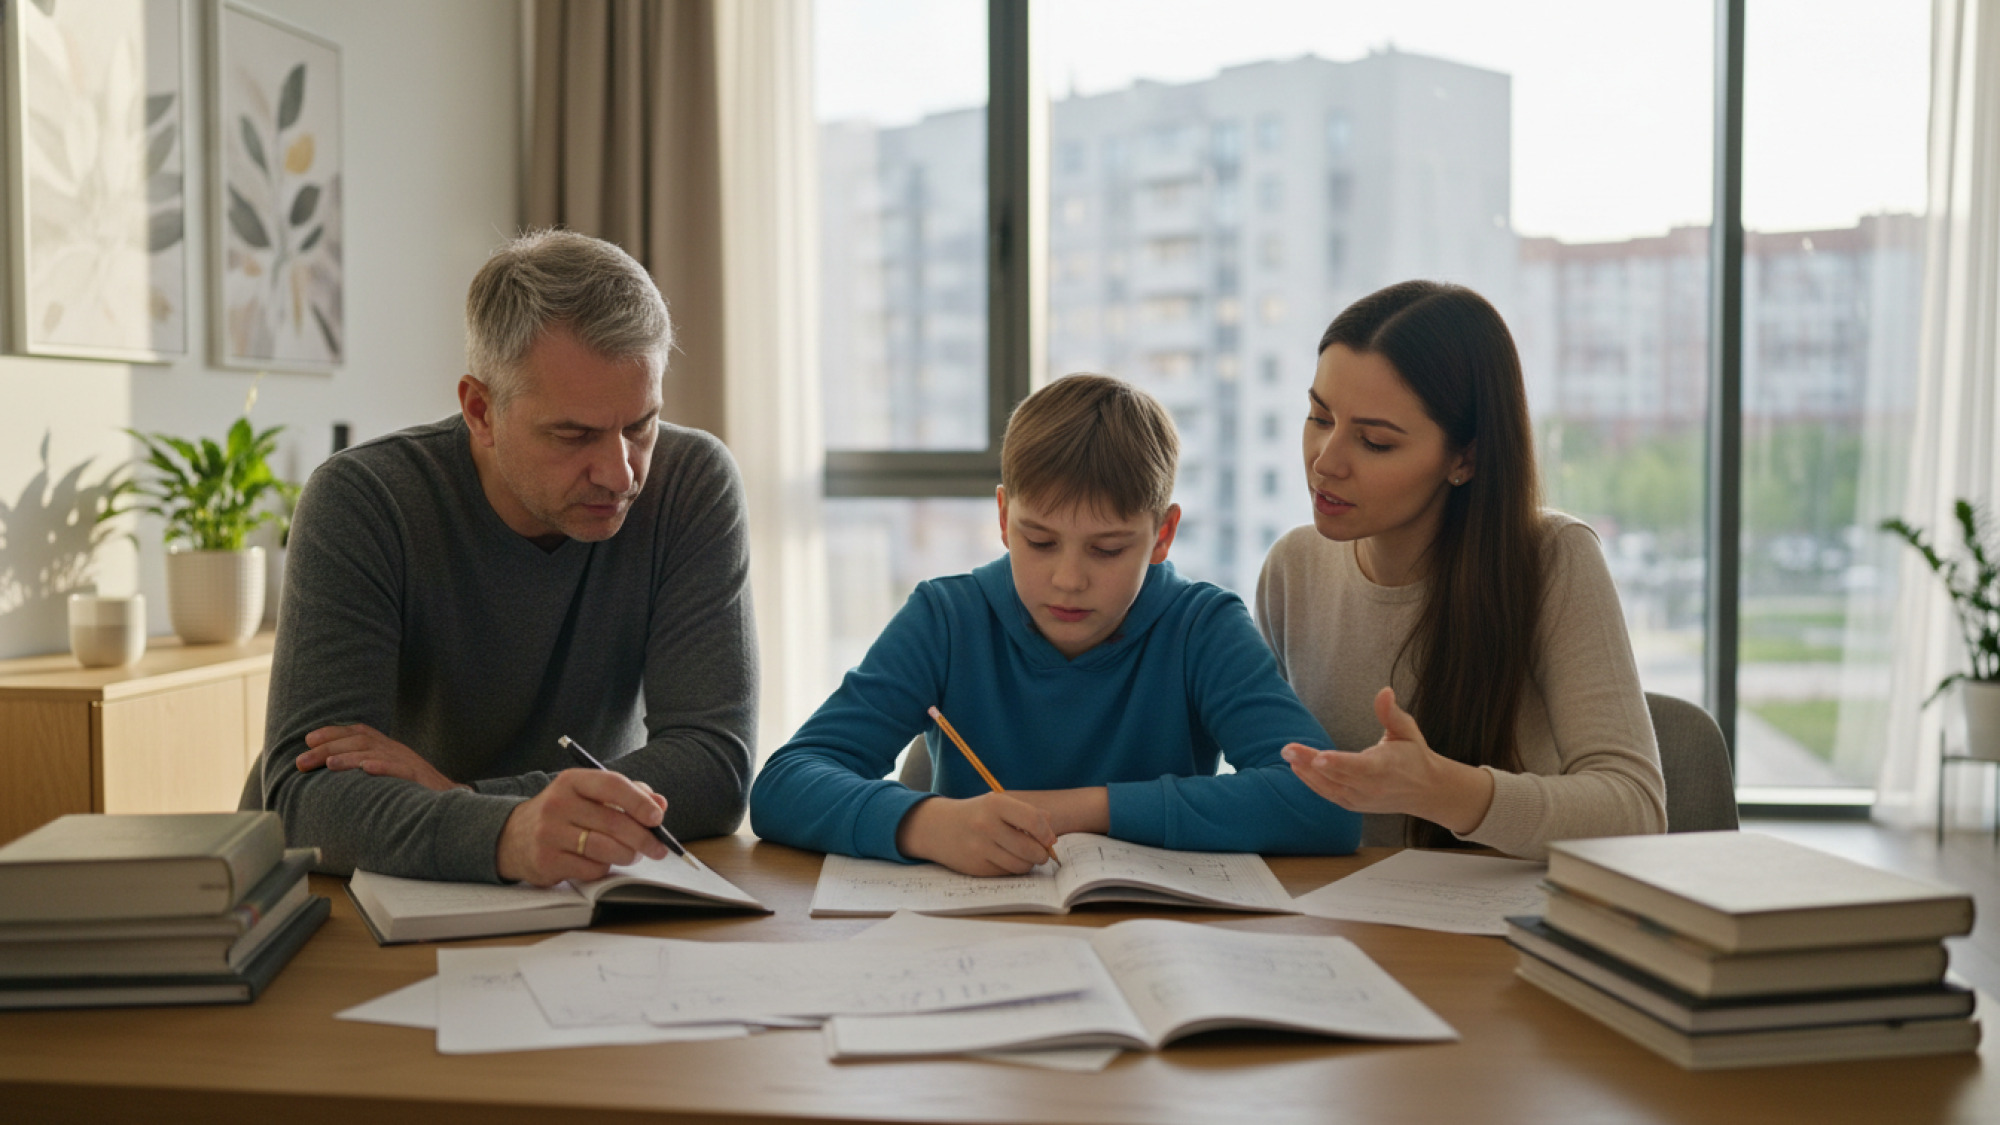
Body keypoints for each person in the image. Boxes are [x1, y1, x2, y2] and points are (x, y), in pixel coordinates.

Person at [246, 229, 758, 886]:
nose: (620, 473)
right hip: (364, 895)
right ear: (480, 410)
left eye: (640, 425)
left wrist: (462, 799)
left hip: (572, 882)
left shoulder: (691, 484)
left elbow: (714, 769)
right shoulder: (363, 501)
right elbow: (303, 802)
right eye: (573, 434)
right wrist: (508, 832)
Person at [751, 374, 1360, 876]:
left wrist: (1076, 810)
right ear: (1003, 518)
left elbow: (1326, 804)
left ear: (1163, 535)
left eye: (1107, 549)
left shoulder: (1202, 628)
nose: (1068, 580)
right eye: (1039, 541)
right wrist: (926, 824)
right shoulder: (946, 619)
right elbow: (784, 784)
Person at [1256, 280, 1666, 859]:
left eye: (1374, 442)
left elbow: (1636, 809)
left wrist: (1442, 791)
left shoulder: (1553, 560)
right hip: (1336, 904)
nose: (1325, 461)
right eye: (1320, 417)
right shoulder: (1292, 569)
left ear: (1465, 458)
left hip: (1502, 913)